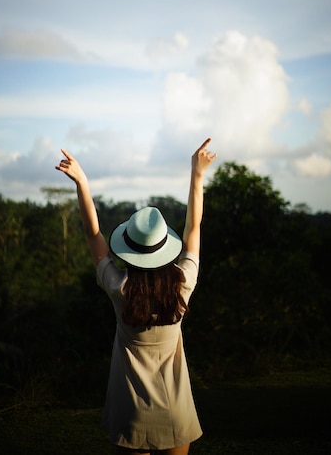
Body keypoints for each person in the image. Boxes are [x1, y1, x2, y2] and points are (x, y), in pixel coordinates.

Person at [56, 138, 217, 455]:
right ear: (164, 249)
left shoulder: (120, 288)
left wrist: (82, 182)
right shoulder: (183, 283)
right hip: (176, 412)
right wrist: (197, 175)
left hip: (130, 413)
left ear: (130, 251)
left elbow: (93, 233)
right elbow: (193, 228)